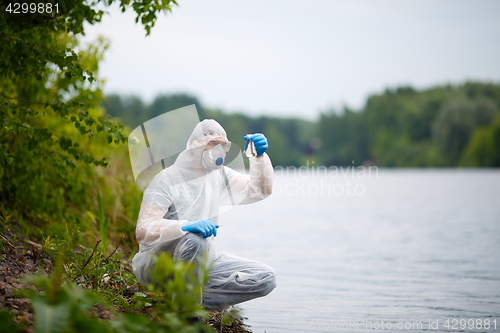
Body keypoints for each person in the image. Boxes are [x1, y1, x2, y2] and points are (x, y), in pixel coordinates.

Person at [132, 119, 276, 310]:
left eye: (223, 145)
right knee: (195, 240)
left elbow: (259, 190)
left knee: (266, 278)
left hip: (200, 259)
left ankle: (185, 299)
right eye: (213, 144)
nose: (219, 150)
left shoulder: (220, 175)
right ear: (196, 145)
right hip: (158, 263)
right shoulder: (167, 179)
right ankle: (187, 314)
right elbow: (143, 230)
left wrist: (259, 157)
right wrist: (183, 226)